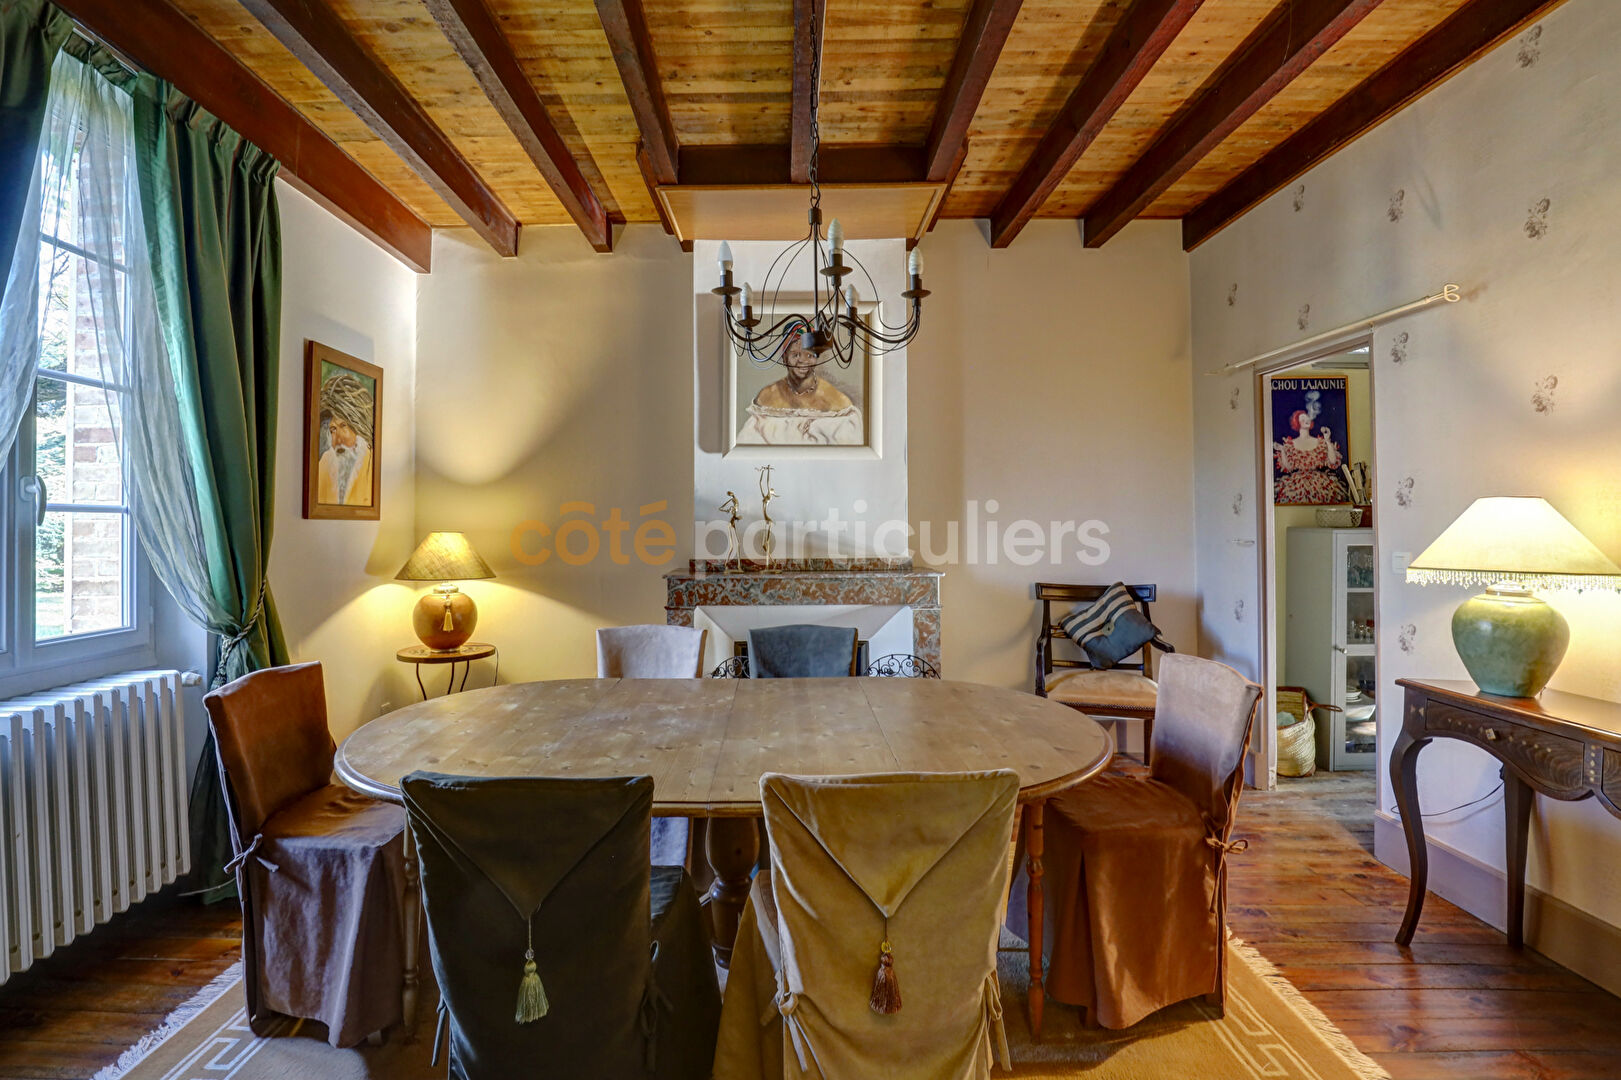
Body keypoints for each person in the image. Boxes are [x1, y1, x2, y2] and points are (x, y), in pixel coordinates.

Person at [739, 335, 863, 445]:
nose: (803, 361)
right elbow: (750, 446)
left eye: (810, 355)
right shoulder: (767, 396)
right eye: (796, 355)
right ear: (784, 358)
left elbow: (848, 449)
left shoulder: (837, 401)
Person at [316, 372, 374, 506]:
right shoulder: (325, 464)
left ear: (358, 426)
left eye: (343, 426)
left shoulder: (372, 464)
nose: (337, 441)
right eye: (333, 429)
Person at [1273, 405, 1347, 505]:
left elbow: (1333, 461)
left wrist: (1327, 440)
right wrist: (1282, 450)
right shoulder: (1291, 444)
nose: (1306, 420)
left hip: (1319, 483)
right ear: (1297, 422)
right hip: (1297, 485)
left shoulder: (1320, 442)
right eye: (1302, 419)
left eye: (1307, 418)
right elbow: (1288, 467)